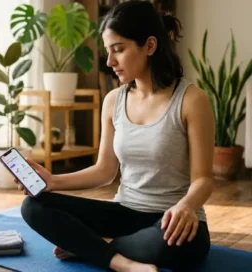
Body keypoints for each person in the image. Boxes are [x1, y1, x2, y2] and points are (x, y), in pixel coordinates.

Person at [14, 1, 215, 271]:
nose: (110, 62)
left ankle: (89, 247)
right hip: (124, 212)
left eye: (118, 50)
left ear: (150, 46)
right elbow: (105, 171)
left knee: (171, 243)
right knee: (33, 207)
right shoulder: (113, 101)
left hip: (171, 220)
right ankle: (122, 263)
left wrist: (187, 206)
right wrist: (52, 180)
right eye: (108, 52)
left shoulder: (191, 100)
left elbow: (203, 179)